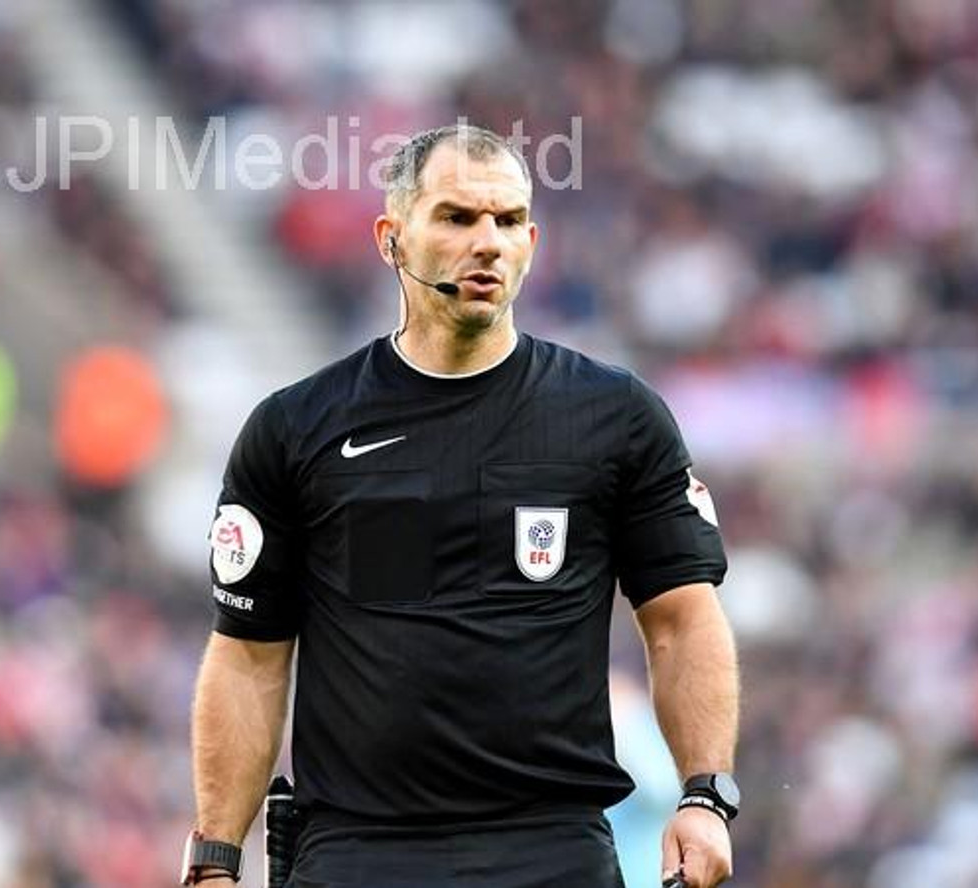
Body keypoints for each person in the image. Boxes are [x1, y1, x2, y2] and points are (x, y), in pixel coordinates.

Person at [181, 124, 740, 888]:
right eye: (457, 217)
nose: (488, 243)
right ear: (392, 237)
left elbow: (682, 619)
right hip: (356, 854)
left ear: (533, 241)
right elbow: (248, 656)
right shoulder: (296, 429)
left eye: (508, 221)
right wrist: (215, 857)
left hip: (552, 851)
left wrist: (706, 795)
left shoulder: (615, 417)